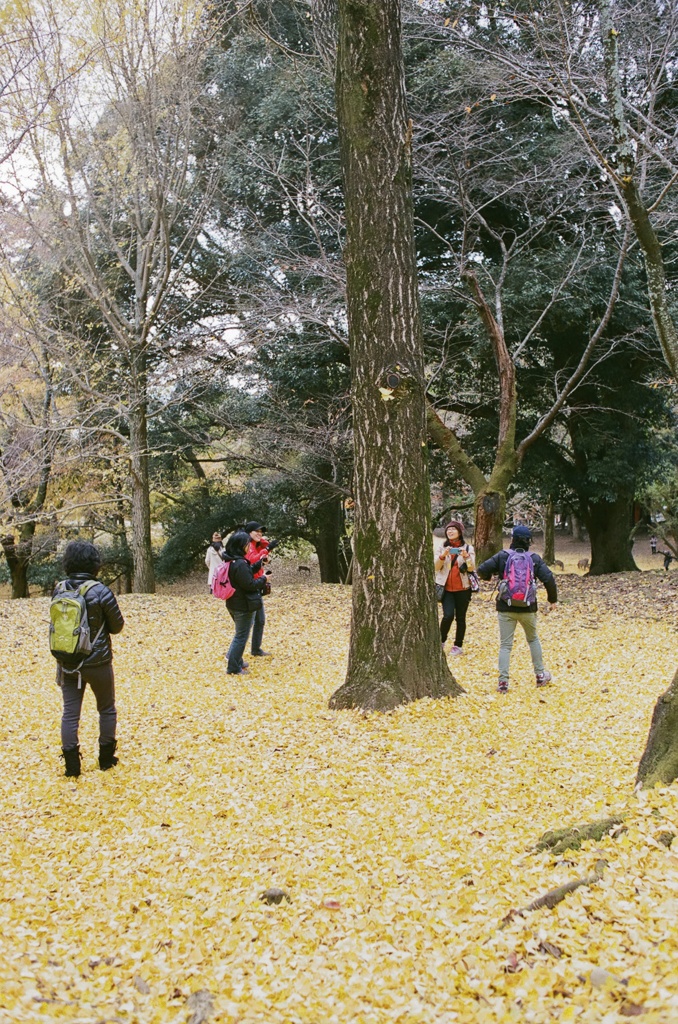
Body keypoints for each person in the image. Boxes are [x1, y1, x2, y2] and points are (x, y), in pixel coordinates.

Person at [54, 541, 125, 777]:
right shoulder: (101, 591)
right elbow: (117, 626)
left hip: (68, 662)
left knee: (70, 712)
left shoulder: (59, 589)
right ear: (95, 564)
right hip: (97, 663)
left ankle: (72, 767)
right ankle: (106, 760)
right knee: (106, 709)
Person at [477, 525, 557, 693]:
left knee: (505, 645)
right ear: (529, 541)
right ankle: (540, 675)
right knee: (533, 639)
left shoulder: (503, 556)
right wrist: (552, 600)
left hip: (506, 607)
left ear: (512, 539)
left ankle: (503, 682)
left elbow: (482, 570)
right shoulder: (534, 558)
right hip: (528, 608)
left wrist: (489, 577)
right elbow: (548, 578)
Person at [222, 530, 269, 675]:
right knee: (241, 636)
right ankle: (233, 667)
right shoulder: (240, 563)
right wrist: (264, 579)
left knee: (240, 634)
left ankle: (237, 661)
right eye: (247, 544)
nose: (249, 546)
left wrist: (259, 564)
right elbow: (249, 584)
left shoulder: (232, 560)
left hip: (234, 603)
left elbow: (246, 573)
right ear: (240, 545)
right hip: (243, 604)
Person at [434, 520, 476, 655]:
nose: (450, 532)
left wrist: (466, 557)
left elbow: (471, 567)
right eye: (448, 530)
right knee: (448, 616)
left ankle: (458, 645)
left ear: (459, 532)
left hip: (463, 589)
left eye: (453, 529)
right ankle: (440, 641)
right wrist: (443, 556)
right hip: (447, 589)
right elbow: (435, 567)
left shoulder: (468, 548)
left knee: (461, 618)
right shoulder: (442, 547)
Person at [243, 521, 279, 657]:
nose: (259, 534)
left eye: (261, 532)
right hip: (250, 586)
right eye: (256, 531)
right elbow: (253, 559)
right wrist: (267, 549)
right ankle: (233, 654)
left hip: (258, 584)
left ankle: (256, 649)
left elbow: (264, 548)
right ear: (248, 533)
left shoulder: (256, 544)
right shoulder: (247, 545)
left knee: (260, 620)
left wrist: (264, 544)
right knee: (248, 623)